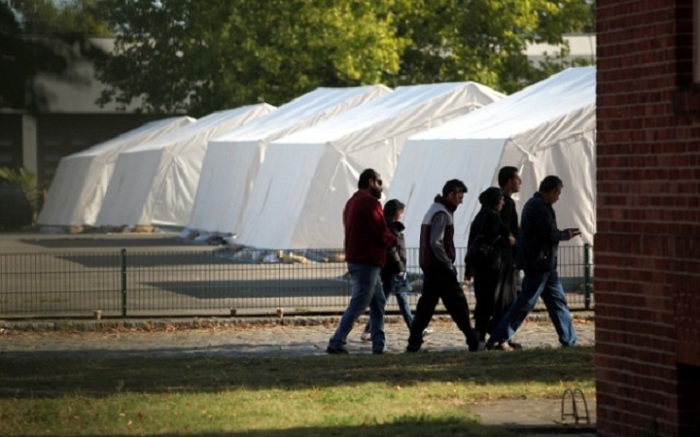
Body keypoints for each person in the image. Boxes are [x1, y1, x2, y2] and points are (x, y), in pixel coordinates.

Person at [485, 175, 581, 351]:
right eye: (557, 193)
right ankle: (499, 336)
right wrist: (565, 234)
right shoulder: (540, 208)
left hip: (543, 264)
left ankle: (570, 340)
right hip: (539, 263)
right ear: (552, 191)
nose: (558, 197)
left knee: (557, 303)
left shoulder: (534, 205)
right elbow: (549, 233)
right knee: (526, 304)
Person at [327, 168, 397, 355]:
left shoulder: (352, 202)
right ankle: (337, 341)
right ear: (371, 182)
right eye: (379, 182)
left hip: (358, 259)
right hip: (368, 261)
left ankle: (379, 344)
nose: (381, 187)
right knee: (360, 303)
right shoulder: (370, 203)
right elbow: (380, 231)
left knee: (378, 302)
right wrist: (393, 238)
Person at [406, 179, 480, 353]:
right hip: (439, 266)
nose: (461, 201)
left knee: (427, 305)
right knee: (457, 303)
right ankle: (472, 338)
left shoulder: (434, 209)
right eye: (460, 197)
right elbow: (436, 242)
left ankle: (414, 340)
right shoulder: (442, 213)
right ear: (451, 194)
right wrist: (448, 263)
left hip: (431, 265)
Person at [360, 200, 431, 341]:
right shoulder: (391, 229)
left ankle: (413, 329)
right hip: (394, 270)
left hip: (393, 270)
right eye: (401, 212)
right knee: (388, 301)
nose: (402, 215)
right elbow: (392, 250)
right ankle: (413, 329)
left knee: (395, 300)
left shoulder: (390, 227)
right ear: (395, 213)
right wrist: (400, 266)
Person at [464, 187, 515, 347]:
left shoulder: (479, 217)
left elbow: (472, 243)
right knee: (496, 303)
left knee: (483, 303)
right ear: (495, 201)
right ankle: (498, 338)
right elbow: (502, 237)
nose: (503, 202)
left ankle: (480, 335)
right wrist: (508, 240)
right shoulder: (493, 217)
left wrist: (469, 270)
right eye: (500, 199)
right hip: (493, 266)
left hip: (480, 266)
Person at [496, 166, 523, 347]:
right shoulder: (506, 203)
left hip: (505, 257)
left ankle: (502, 336)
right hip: (505, 258)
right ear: (508, 181)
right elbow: (502, 227)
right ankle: (501, 337)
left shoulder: (503, 201)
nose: (520, 181)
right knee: (508, 298)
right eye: (516, 178)